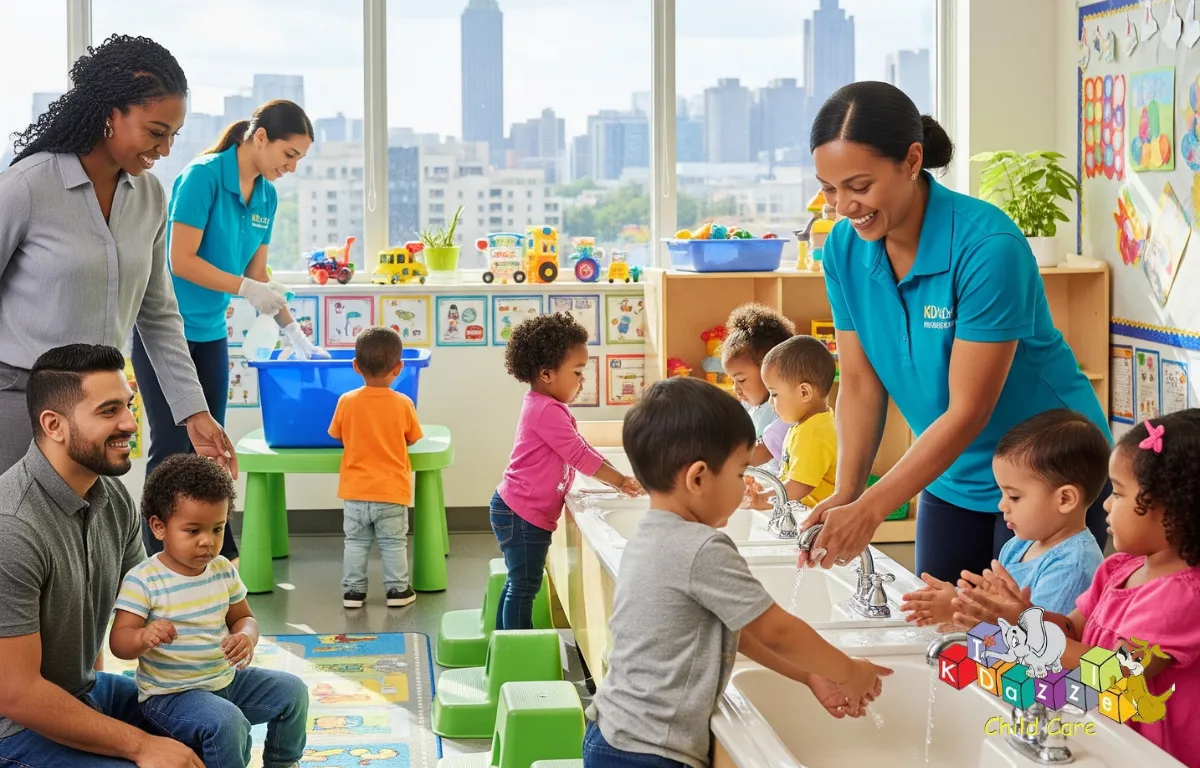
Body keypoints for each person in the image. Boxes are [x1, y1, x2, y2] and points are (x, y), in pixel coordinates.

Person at [797, 81, 1110, 582]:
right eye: (829, 189)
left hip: (1050, 476)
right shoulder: (842, 250)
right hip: (948, 475)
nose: (843, 207)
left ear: (912, 160)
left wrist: (874, 507)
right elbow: (858, 382)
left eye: (859, 187)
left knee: (1029, 649)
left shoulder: (988, 247)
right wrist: (848, 490)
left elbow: (968, 409)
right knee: (941, 636)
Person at [584, 378, 891, 768]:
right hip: (649, 751)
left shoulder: (650, 534)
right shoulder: (701, 548)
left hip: (615, 732)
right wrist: (848, 672)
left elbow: (736, 631)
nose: (746, 482)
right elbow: (776, 631)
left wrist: (811, 676)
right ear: (698, 478)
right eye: (740, 471)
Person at [0, 34, 236, 479]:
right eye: (155, 132)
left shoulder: (150, 197)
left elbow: (160, 316)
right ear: (110, 114)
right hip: (20, 404)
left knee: (92, 539)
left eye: (173, 136)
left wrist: (194, 414)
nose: (165, 150)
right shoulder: (27, 186)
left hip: (102, 408)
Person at [132, 99, 323, 563]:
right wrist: (245, 287)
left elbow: (257, 276)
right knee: (172, 447)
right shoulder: (203, 177)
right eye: (290, 153)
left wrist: (294, 333)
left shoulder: (267, 196)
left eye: (300, 157)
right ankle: (152, 561)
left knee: (211, 444)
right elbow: (182, 261)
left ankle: (217, 551)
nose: (292, 166)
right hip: (164, 330)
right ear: (260, 138)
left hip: (211, 330)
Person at [952, 411, 1200, 768]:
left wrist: (1031, 633)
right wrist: (1021, 618)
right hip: (1101, 738)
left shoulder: (1180, 597)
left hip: (1148, 756)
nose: (1106, 504)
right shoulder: (1117, 569)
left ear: (1171, 509)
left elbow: (1117, 673)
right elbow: (1073, 629)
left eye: (1118, 492)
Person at [0, 344, 203, 767]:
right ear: (54, 425)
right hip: (14, 728)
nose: (131, 423)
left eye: (128, 406)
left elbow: (149, 602)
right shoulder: (12, 528)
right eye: (109, 411)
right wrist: (142, 746)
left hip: (84, 690)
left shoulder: (112, 497)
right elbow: (16, 694)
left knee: (213, 723)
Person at [111, 454, 308, 768]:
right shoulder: (143, 580)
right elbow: (119, 643)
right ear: (159, 527)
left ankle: (282, 762)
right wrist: (144, 636)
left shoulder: (222, 571)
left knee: (293, 691)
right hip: (170, 698)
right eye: (193, 531)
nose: (208, 542)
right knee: (227, 723)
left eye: (217, 529)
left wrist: (247, 637)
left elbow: (243, 618)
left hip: (225, 682)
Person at [493, 313, 642, 630]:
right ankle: (517, 651)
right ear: (547, 373)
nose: (582, 380)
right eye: (577, 372)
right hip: (522, 515)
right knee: (524, 586)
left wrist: (620, 477)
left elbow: (582, 448)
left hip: (521, 511)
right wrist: (620, 480)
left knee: (519, 583)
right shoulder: (546, 410)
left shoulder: (547, 406)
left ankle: (504, 641)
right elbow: (578, 456)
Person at [900, 409, 1109, 626]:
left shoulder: (1073, 567)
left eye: (1014, 496)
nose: (1001, 505)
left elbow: (1039, 651)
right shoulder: (1018, 545)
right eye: (1002, 493)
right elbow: (995, 608)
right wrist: (956, 597)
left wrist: (957, 612)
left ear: (1065, 499)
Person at [328, 327, 423, 609]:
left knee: (355, 544)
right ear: (399, 368)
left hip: (355, 493)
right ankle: (397, 591)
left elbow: (336, 434)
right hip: (392, 491)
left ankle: (353, 593)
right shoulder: (403, 403)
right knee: (393, 544)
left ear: (356, 366)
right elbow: (413, 437)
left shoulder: (346, 401)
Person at [746, 336, 838, 510]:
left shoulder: (813, 433)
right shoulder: (809, 424)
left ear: (804, 392)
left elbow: (799, 486)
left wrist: (760, 500)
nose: (771, 402)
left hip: (815, 522)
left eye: (774, 394)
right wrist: (767, 489)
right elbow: (790, 477)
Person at [720, 303, 795, 470]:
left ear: (770, 371)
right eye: (732, 380)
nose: (735, 388)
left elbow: (759, 455)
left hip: (778, 492)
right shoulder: (750, 406)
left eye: (741, 380)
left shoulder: (788, 410)